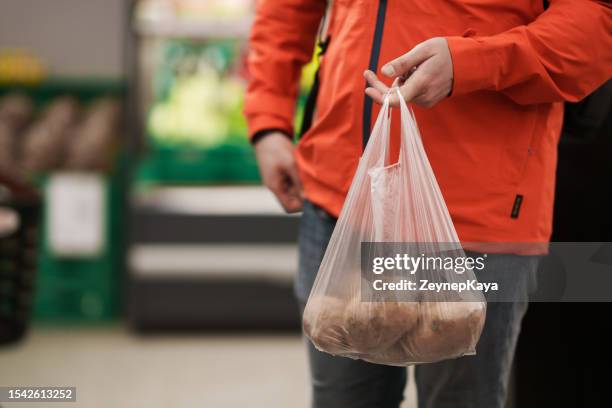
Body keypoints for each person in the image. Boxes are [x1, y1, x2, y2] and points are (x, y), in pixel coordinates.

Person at [244, 1, 612, 407]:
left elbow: (597, 17)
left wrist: (472, 62)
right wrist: (269, 119)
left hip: (473, 216)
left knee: (460, 399)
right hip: (341, 198)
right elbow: (287, 9)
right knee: (343, 397)